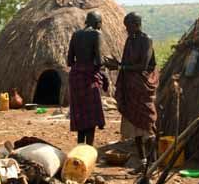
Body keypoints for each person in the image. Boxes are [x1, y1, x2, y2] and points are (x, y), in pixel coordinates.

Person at [106, 12, 159, 173]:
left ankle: (153, 164)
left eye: (128, 26)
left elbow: (143, 65)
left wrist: (120, 67)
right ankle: (143, 163)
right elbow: (128, 64)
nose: (126, 30)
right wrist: (117, 64)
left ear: (136, 24)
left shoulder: (146, 40)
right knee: (135, 125)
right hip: (131, 87)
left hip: (142, 87)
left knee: (148, 123)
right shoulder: (131, 40)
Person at [67, 11, 109, 145]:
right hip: (89, 78)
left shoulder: (75, 35)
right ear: (97, 23)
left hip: (76, 78)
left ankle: (80, 146)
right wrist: (104, 71)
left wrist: (80, 67)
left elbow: (69, 61)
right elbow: (98, 60)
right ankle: (89, 149)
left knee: (80, 114)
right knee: (91, 116)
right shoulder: (96, 34)